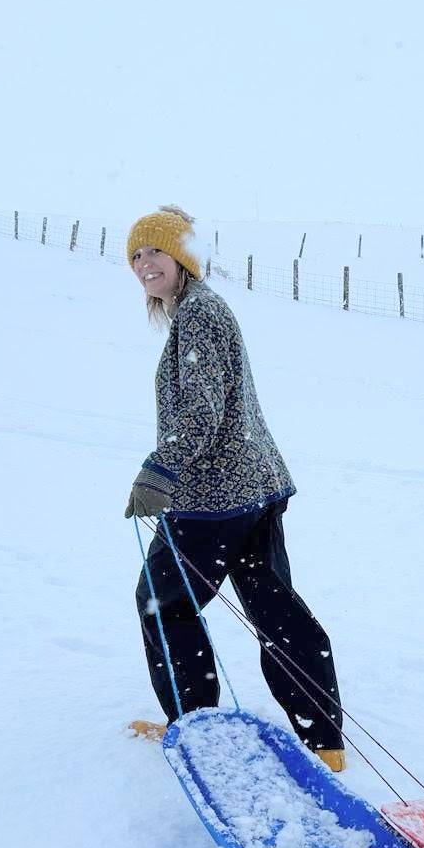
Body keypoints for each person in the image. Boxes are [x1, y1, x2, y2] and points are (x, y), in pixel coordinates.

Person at [124, 205, 346, 771]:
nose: (145, 263)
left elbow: (200, 413)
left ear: (183, 257)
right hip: (256, 487)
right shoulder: (201, 310)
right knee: (274, 610)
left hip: (214, 498)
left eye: (156, 251)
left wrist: (159, 473)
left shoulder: (197, 316)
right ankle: (322, 738)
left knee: (161, 602)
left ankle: (194, 726)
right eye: (136, 255)